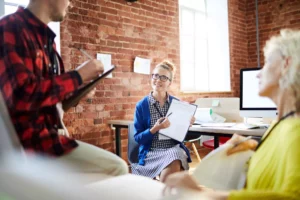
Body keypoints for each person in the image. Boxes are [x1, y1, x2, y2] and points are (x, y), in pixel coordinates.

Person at [163, 29, 300, 199]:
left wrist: (201, 194)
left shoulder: (295, 130)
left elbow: (292, 196)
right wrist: (253, 147)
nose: (258, 73)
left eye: (268, 62)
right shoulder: (280, 124)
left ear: (286, 65)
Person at [0, 0, 128, 176]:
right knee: (117, 167)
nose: (70, 4)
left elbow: (47, 100)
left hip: (51, 137)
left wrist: (77, 90)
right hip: (31, 144)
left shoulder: (48, 41)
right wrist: (78, 76)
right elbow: (21, 97)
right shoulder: (10, 27)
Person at [131, 60, 195, 182]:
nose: (158, 80)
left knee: (174, 159)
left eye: (163, 77)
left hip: (172, 149)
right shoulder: (142, 105)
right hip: (150, 153)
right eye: (155, 76)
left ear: (169, 83)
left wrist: (187, 124)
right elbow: (138, 138)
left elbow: (181, 136)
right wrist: (155, 129)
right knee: (174, 180)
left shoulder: (177, 104)